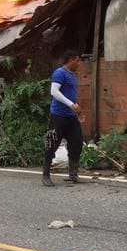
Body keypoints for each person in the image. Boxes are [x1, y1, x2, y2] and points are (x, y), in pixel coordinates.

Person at [41, 50, 85, 188]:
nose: (79, 64)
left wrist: (77, 111)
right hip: (58, 116)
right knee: (52, 144)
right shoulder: (60, 73)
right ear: (71, 60)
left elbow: (70, 96)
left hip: (71, 116)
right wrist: (71, 104)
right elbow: (54, 92)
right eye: (77, 61)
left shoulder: (72, 76)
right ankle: (46, 175)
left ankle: (73, 174)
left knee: (77, 143)